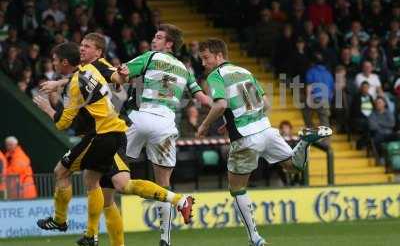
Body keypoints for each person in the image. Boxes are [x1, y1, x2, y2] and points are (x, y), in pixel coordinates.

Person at [38, 35, 194, 246]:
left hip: (104, 133)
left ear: (99, 52)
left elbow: (112, 79)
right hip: (115, 132)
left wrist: (49, 107)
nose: (82, 49)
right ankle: (94, 236)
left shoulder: (97, 68)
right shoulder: (89, 69)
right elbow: (90, 77)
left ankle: (71, 225)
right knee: (112, 185)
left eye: (87, 46)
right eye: (81, 46)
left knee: (67, 173)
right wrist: (60, 82)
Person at [196, 38, 332, 246]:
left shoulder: (216, 75)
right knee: (295, 166)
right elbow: (266, 103)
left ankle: (255, 238)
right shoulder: (244, 71)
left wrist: (205, 125)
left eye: (206, 58)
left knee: (237, 188)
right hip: (266, 129)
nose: (203, 63)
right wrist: (230, 121)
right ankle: (304, 142)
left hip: (245, 137)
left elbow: (221, 104)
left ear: (219, 56)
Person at [115, 24, 210, 246]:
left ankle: (97, 231)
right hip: (166, 124)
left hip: (141, 118)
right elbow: (203, 99)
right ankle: (165, 239)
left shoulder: (150, 57)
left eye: (158, 37)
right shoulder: (185, 68)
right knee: (164, 184)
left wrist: (119, 76)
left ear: (169, 44)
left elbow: (121, 73)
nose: (153, 40)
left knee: (112, 167)